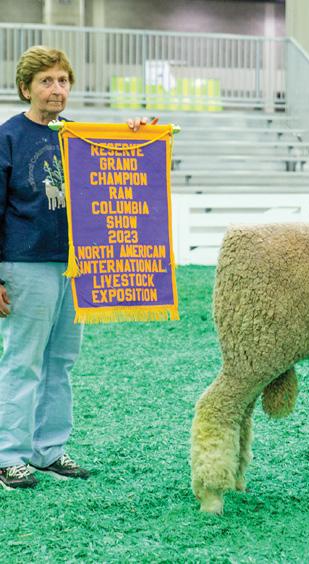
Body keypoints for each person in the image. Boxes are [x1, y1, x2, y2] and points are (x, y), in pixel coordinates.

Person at [0, 46, 146, 490]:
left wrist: (137, 133)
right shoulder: (8, 137)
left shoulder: (78, 136)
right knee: (23, 360)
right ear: (25, 88)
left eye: (63, 80)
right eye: (46, 81)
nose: (56, 89)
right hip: (26, 263)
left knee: (60, 361)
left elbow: (118, 161)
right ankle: (8, 456)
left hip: (76, 265)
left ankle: (48, 450)